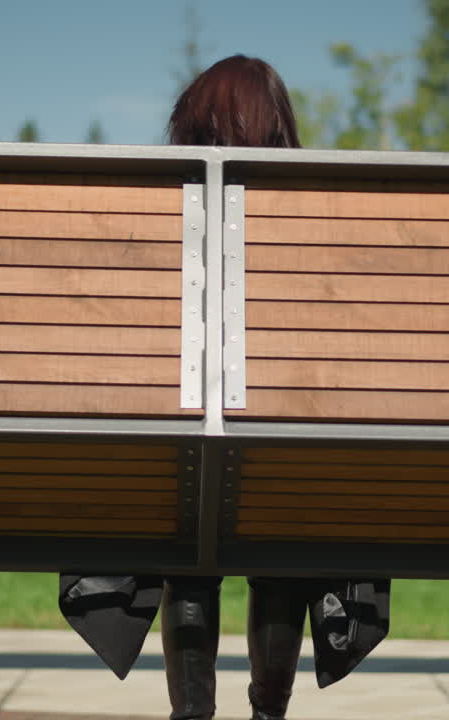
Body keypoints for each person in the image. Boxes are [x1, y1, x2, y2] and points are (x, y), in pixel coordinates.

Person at [59, 55, 389, 720]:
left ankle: (192, 716)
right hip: (287, 473)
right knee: (285, 516)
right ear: (278, 130)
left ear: (191, 127)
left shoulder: (153, 220)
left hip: (175, 473)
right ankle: (268, 713)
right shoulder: (319, 224)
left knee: (189, 525)